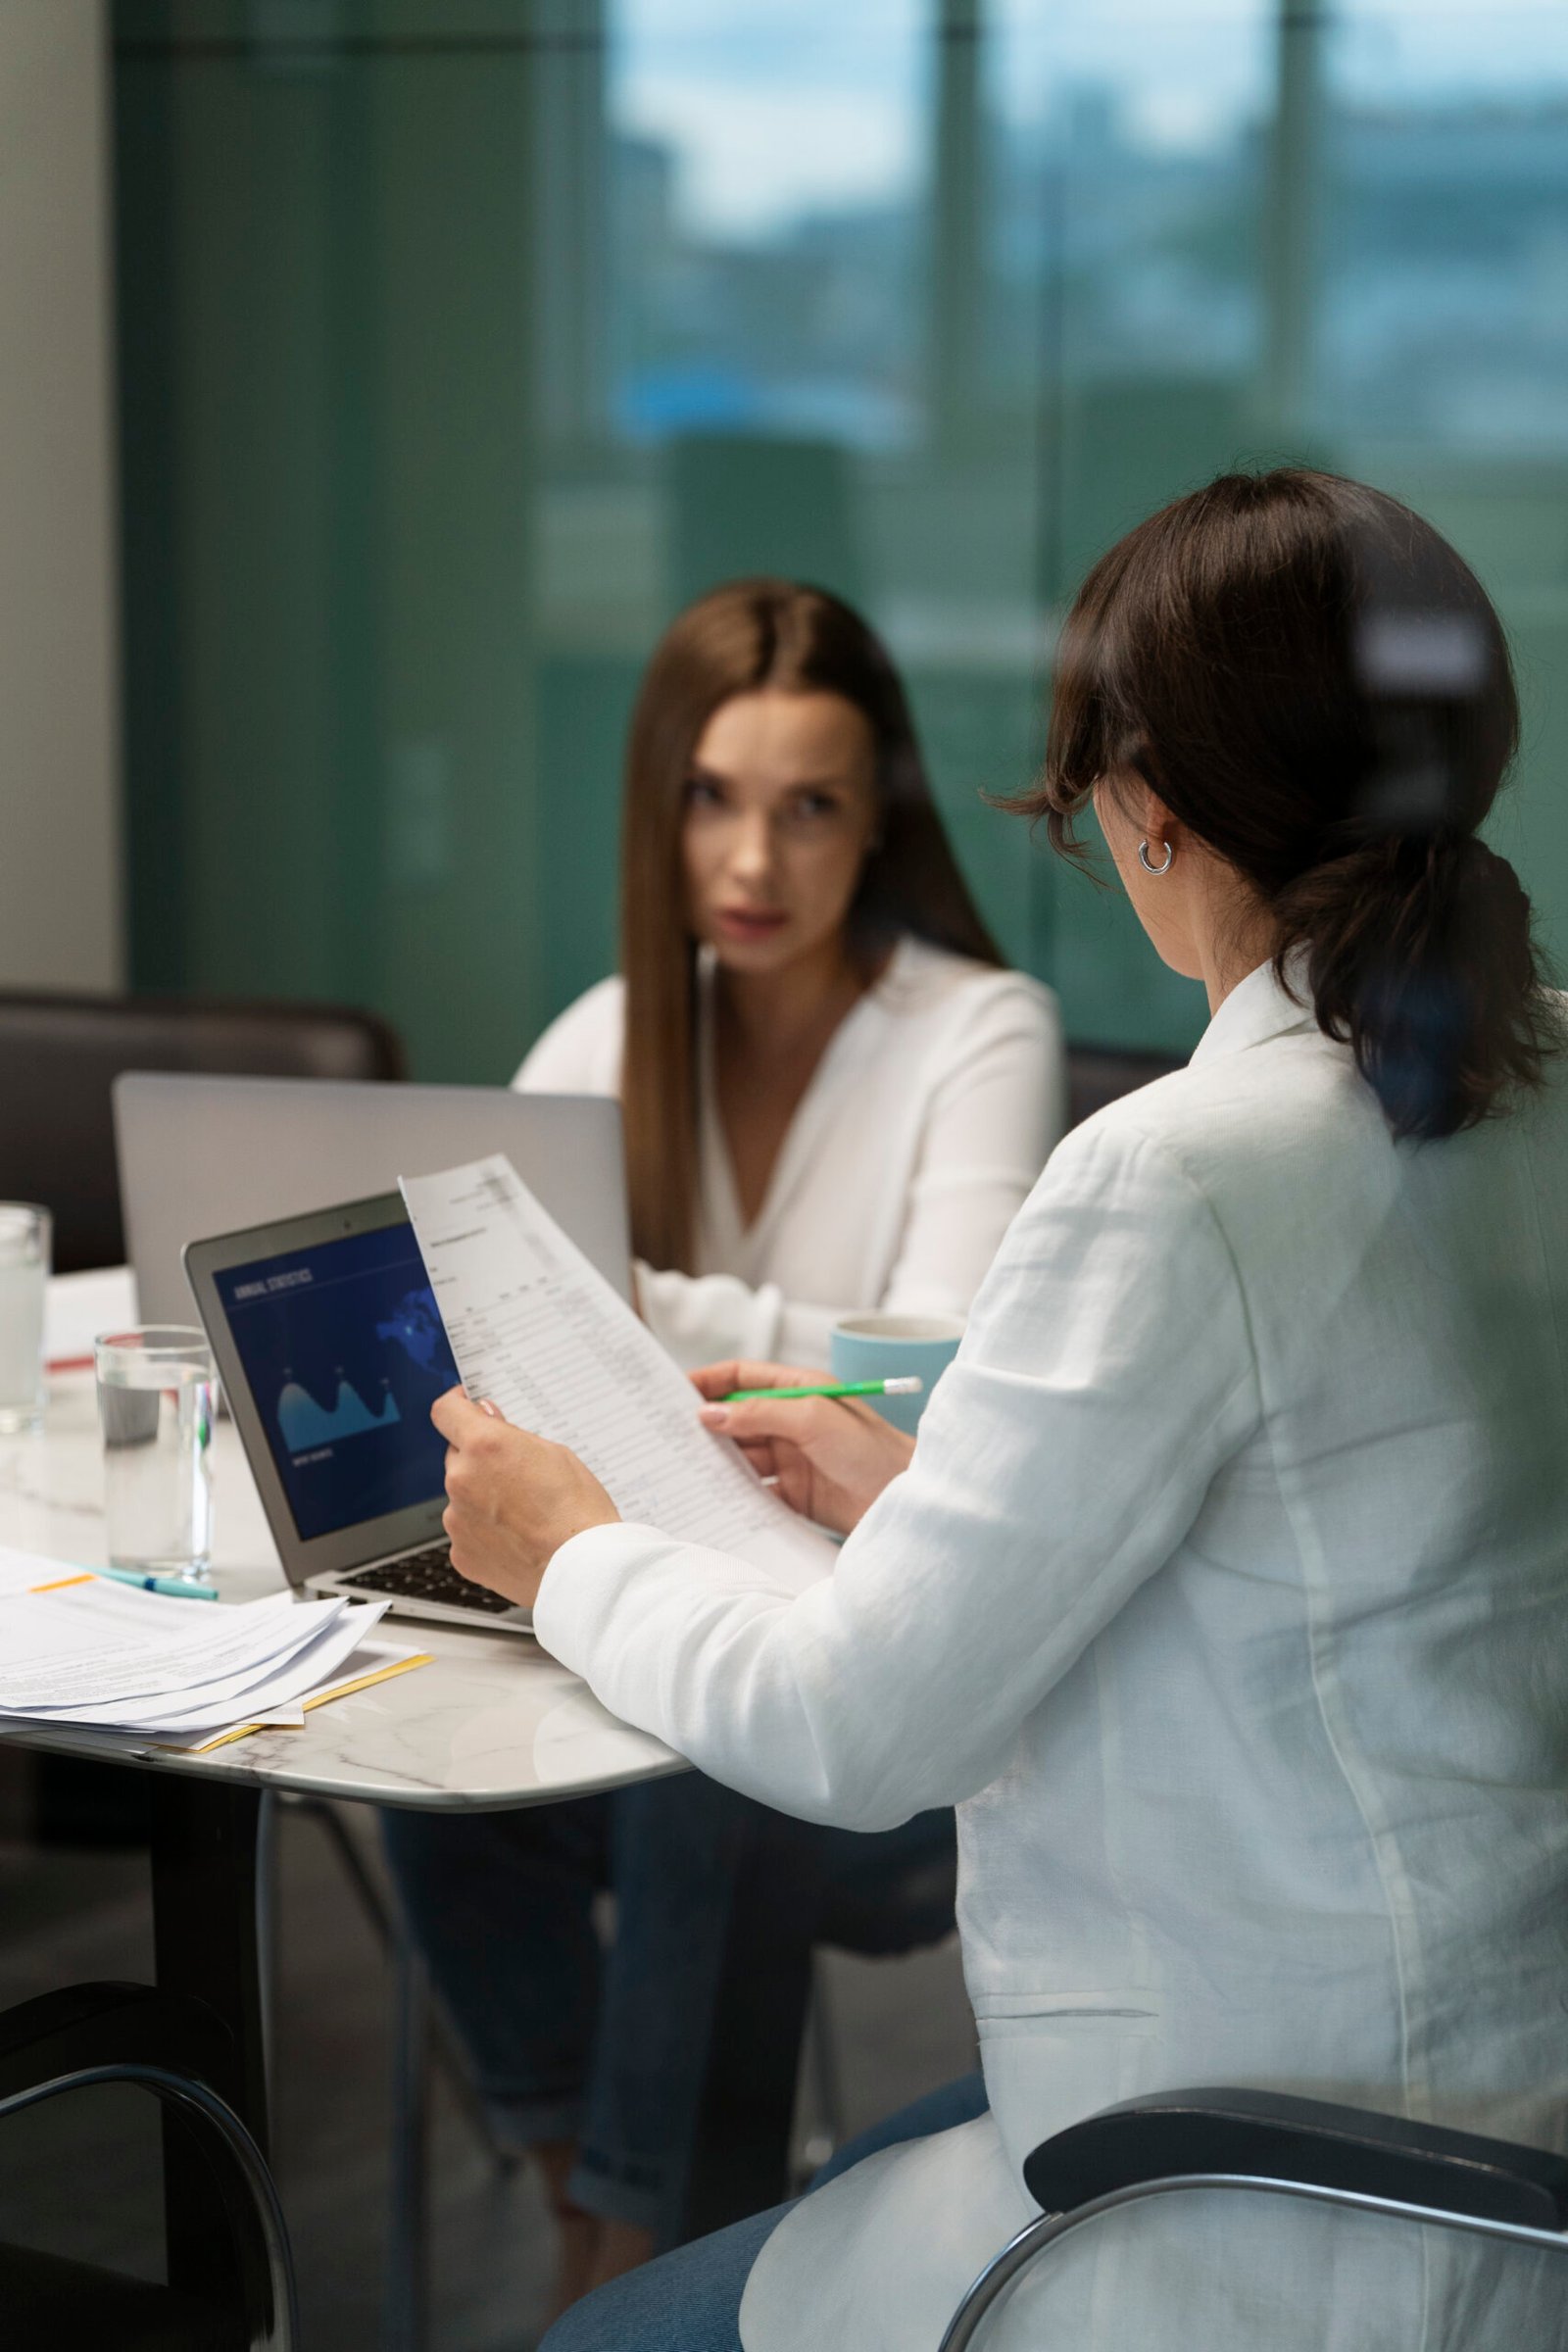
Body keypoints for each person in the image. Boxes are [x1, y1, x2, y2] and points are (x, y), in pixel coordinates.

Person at [432, 469, 1568, 2352]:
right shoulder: (1533, 1075)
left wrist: (571, 1551)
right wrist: (938, 1488)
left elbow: (848, 1732)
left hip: (1281, 2179)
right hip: (1503, 2099)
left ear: (1143, 813)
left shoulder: (1185, 1174)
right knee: (866, 2165)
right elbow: (1333, 1550)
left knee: (599, 2350)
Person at [383, 578, 1063, 2314]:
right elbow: (485, 1321)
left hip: (898, 1714)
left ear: (879, 818)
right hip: (648, 1665)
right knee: (423, 1727)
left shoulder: (978, 1029)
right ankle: (592, 2220)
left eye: (810, 805)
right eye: (712, 798)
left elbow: (927, 1385)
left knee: (713, 1762)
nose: (752, 859)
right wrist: (626, 1320)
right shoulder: (609, 1033)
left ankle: (638, 2270)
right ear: (659, 810)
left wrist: (614, 1311)